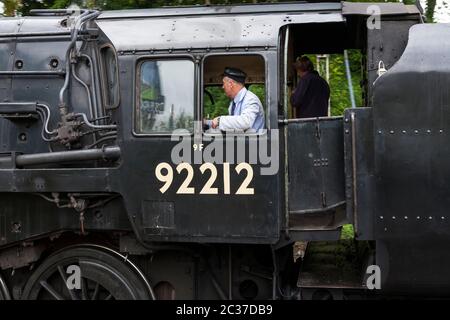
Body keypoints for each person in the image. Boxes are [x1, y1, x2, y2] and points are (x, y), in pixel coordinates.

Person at [208, 67, 265, 131]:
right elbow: (233, 124)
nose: (223, 87)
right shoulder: (233, 103)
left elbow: (245, 122)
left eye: (223, 83)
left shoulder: (250, 99)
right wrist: (207, 123)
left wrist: (219, 120)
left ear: (230, 84)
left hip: (254, 140)